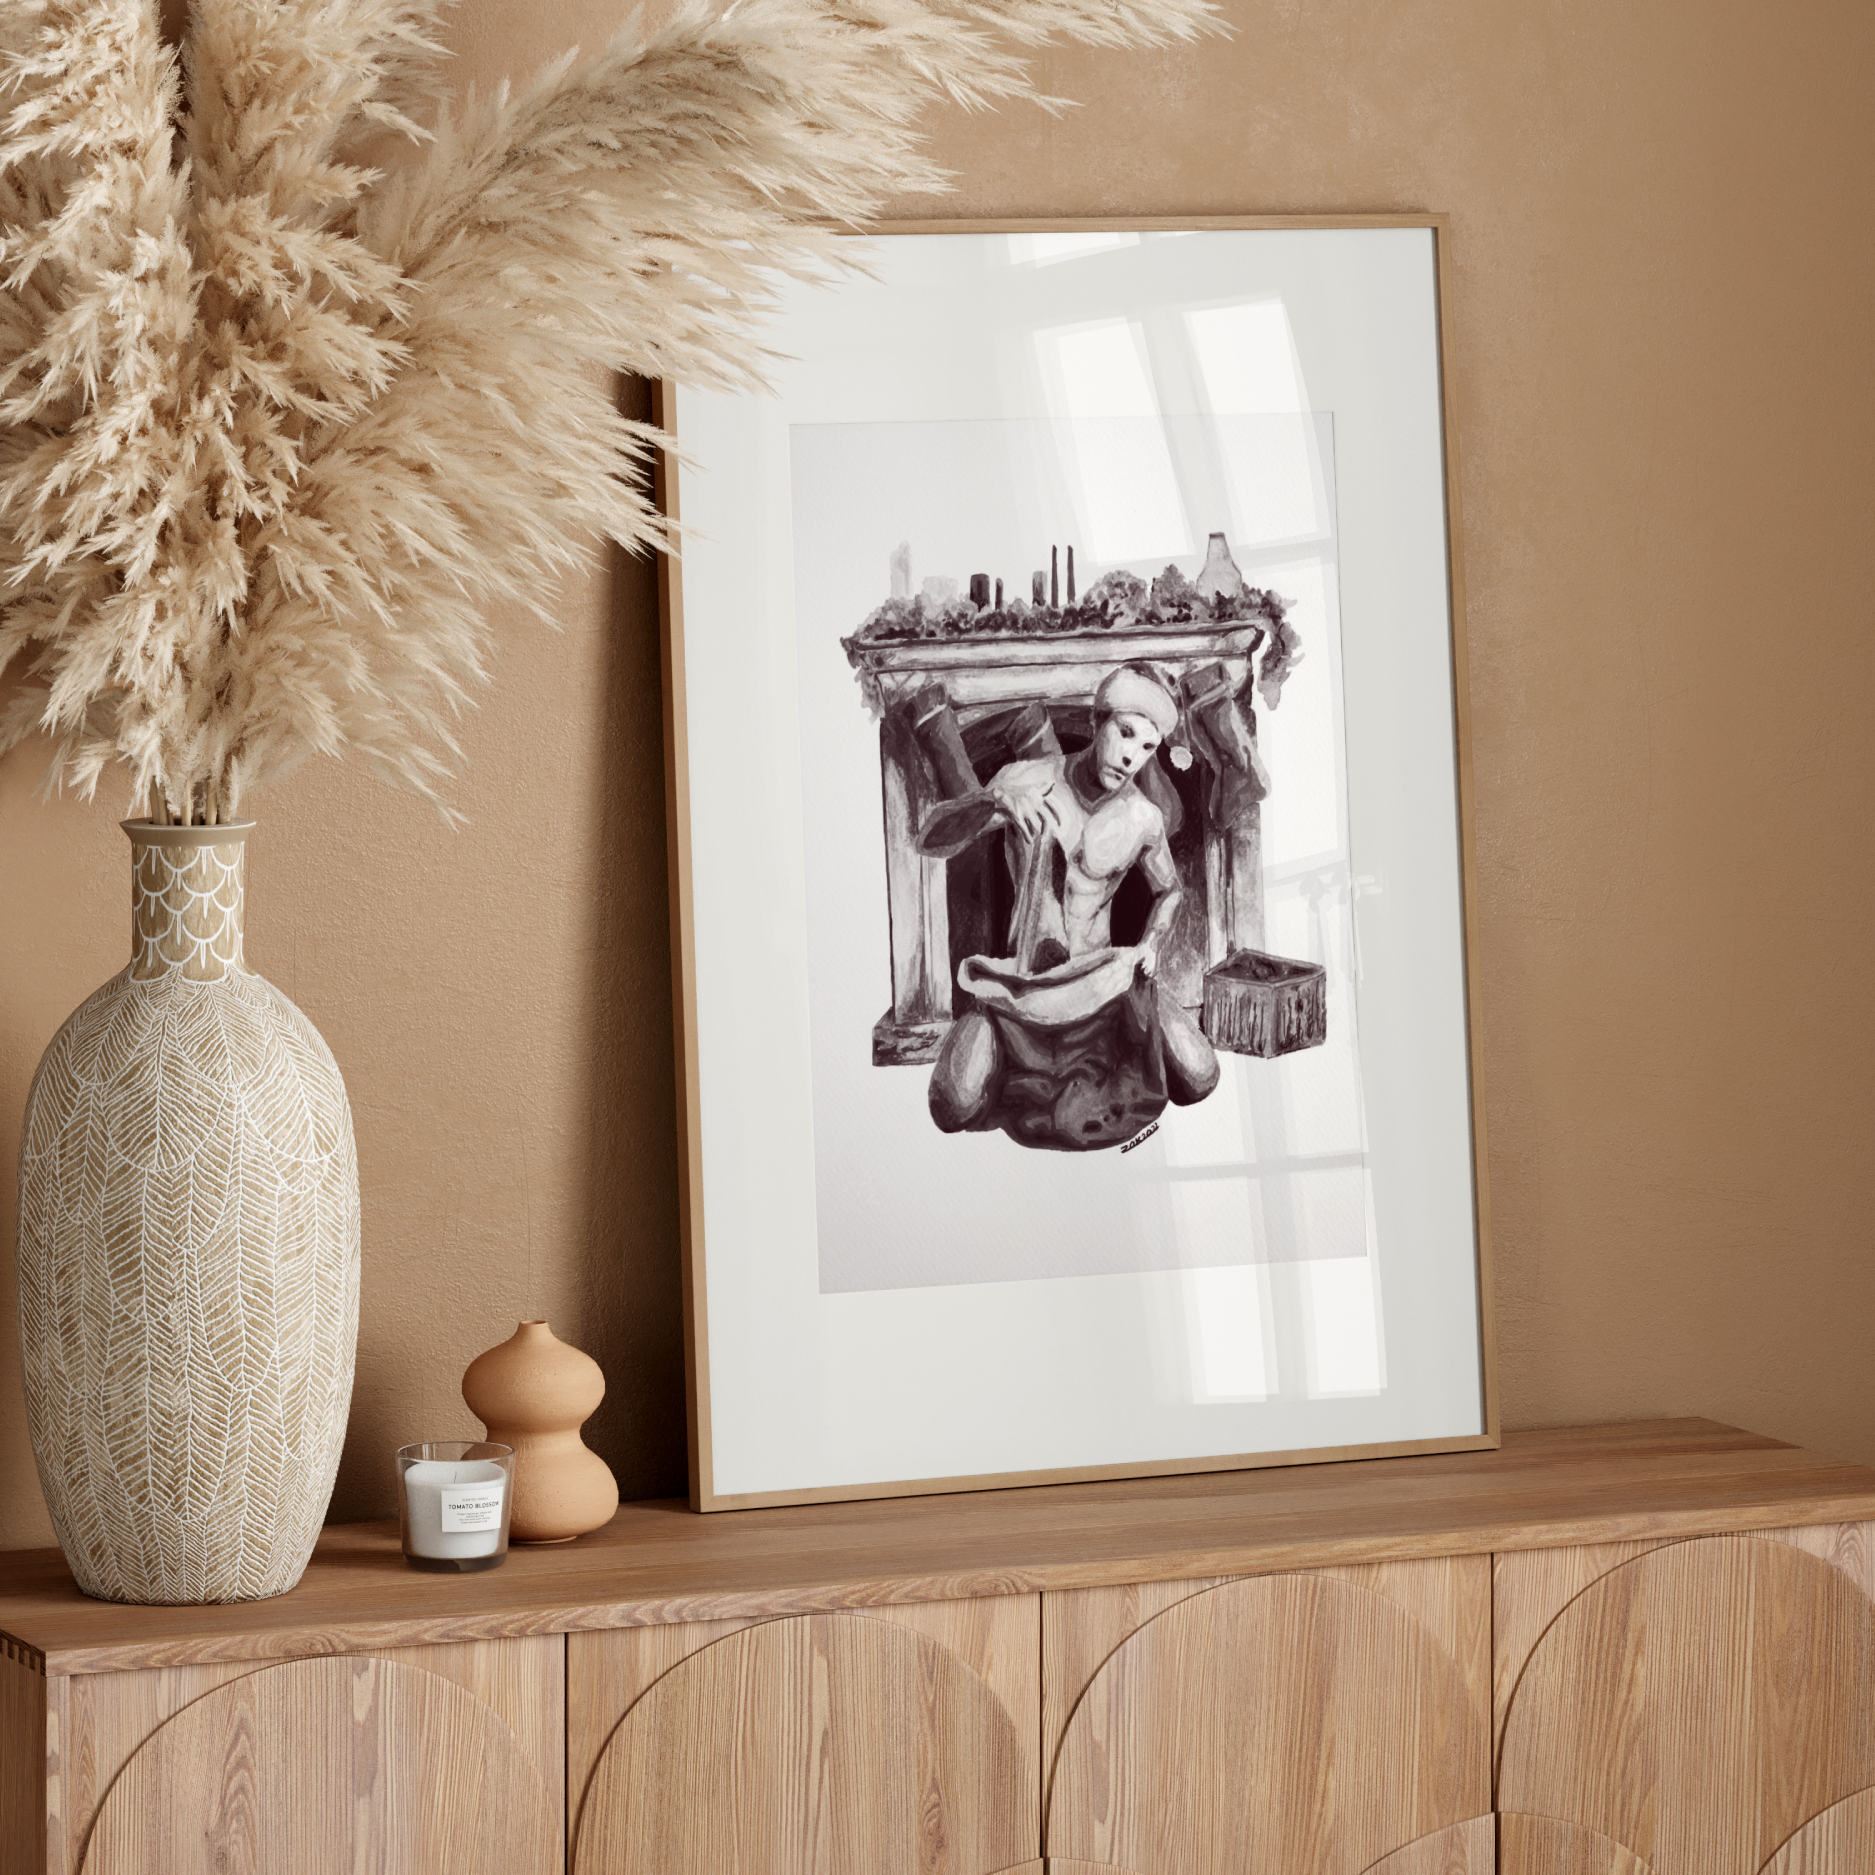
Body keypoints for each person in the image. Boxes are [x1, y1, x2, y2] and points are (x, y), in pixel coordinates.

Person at [922, 665, 1220, 1150]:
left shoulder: (1143, 817)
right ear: (1097, 720)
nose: (1130, 757)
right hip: (1024, 988)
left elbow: (1172, 891)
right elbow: (930, 839)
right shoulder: (1025, 780)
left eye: (1147, 747)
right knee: (951, 1104)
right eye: (1124, 734)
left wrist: (1151, 943)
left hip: (1104, 982)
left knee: (1201, 1075)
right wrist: (992, 800)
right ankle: (1013, 1058)